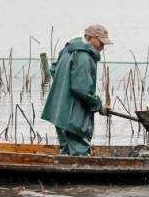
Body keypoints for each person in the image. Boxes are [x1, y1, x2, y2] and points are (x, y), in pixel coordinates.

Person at [41, 24, 112, 156]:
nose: (103, 46)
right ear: (90, 38)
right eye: (101, 42)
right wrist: (98, 105)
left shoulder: (68, 49)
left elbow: (54, 70)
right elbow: (82, 89)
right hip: (73, 117)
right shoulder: (84, 56)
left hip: (59, 114)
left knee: (66, 153)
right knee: (80, 154)